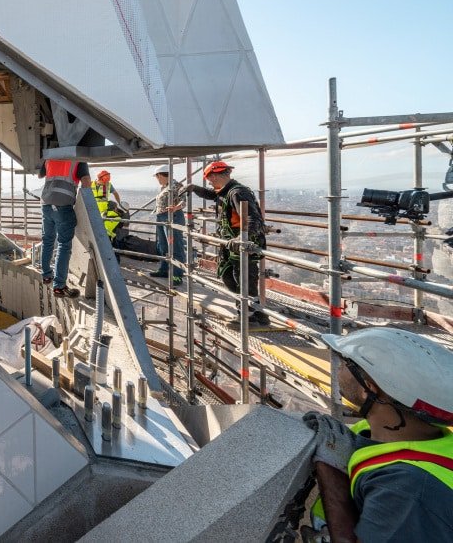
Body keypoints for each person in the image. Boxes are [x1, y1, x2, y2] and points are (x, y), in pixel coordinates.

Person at [302, 328, 453, 541]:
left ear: (369, 389)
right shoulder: (425, 442)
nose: (340, 367)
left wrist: (332, 472)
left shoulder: (407, 491)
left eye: (347, 363)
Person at [182, 160, 267, 323]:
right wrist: (194, 188)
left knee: (243, 278)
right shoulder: (226, 191)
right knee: (229, 275)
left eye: (210, 178)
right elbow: (213, 195)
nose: (209, 181)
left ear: (215, 175)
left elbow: (253, 219)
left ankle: (248, 316)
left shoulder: (237, 193)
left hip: (241, 243)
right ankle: (258, 314)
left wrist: (243, 238)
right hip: (231, 242)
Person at [38, 158, 91, 298]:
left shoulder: (50, 158)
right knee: (64, 244)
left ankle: (46, 276)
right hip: (63, 205)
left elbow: (40, 175)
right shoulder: (78, 159)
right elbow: (86, 181)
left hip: (46, 204)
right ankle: (59, 286)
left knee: (48, 240)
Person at [151, 165, 185, 283]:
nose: (157, 179)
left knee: (175, 246)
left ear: (161, 175)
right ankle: (164, 270)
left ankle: (177, 275)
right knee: (163, 245)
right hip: (161, 217)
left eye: (157, 177)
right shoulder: (164, 187)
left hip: (172, 217)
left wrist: (176, 207)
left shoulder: (176, 186)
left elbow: (184, 200)